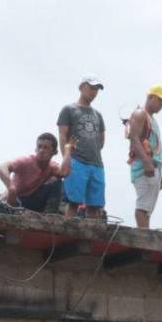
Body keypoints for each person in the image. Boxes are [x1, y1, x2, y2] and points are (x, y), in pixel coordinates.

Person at [58, 76, 106, 220]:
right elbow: (62, 135)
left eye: (96, 89)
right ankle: (68, 231)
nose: (94, 92)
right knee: (73, 202)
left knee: (95, 205)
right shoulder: (69, 109)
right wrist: (66, 159)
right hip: (76, 160)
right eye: (91, 88)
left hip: (96, 163)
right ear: (81, 87)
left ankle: (91, 233)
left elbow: (102, 139)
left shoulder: (98, 115)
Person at [128, 84, 162, 229]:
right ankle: (143, 234)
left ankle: (145, 231)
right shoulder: (140, 114)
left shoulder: (152, 119)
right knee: (143, 206)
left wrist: (160, 173)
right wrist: (147, 163)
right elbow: (134, 138)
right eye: (160, 101)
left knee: (147, 207)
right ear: (151, 97)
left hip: (153, 166)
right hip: (144, 166)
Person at [0, 133, 72, 214]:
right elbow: (1, 167)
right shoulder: (26, 161)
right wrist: (11, 188)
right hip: (15, 199)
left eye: (46, 148)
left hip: (32, 200)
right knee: (6, 203)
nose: (41, 150)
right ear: (36, 149)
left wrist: (67, 150)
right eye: (39, 147)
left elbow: (64, 172)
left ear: (54, 152)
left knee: (57, 181)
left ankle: (49, 216)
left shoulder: (52, 166)